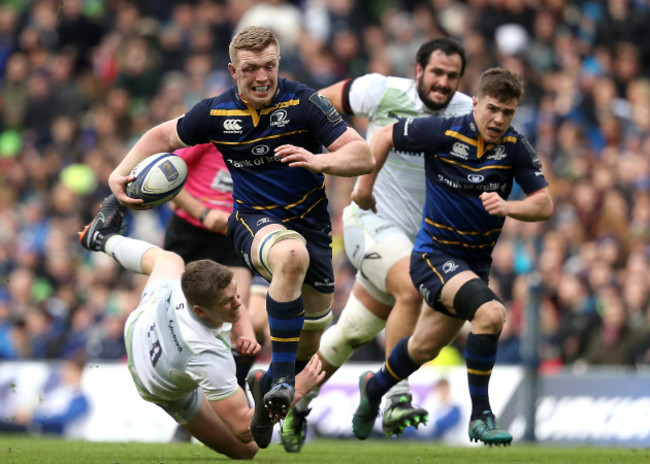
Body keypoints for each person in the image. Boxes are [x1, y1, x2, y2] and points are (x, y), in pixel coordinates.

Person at [103, 26, 374, 449]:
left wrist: (319, 160)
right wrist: (119, 172)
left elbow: (364, 154)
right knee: (289, 256)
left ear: (278, 64)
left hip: (313, 227)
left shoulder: (305, 103)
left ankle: (269, 383)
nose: (262, 76)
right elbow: (161, 136)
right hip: (253, 221)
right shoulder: (215, 113)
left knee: (315, 328)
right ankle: (283, 382)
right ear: (234, 70)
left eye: (269, 66)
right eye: (251, 69)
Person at [280, 37, 473, 452]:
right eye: (436, 73)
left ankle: (297, 402)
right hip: (367, 219)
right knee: (410, 288)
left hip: (415, 240)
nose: (443, 83)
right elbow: (316, 106)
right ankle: (395, 394)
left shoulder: (469, 113)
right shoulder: (380, 90)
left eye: (451, 76)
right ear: (418, 70)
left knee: (349, 334)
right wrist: (319, 158)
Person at [351, 67, 553, 446]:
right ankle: (481, 415)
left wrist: (509, 208)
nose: (499, 119)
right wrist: (364, 189)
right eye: (492, 108)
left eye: (508, 113)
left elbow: (543, 205)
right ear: (475, 102)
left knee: (423, 348)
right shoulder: (442, 131)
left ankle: (374, 387)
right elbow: (382, 136)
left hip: (473, 267)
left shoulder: (514, 148)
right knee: (491, 314)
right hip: (432, 256)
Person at [78, 195, 324, 459]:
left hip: (140, 323)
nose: (238, 303)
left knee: (168, 261)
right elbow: (243, 429)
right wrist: (299, 387)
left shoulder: (184, 287)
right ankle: (263, 406)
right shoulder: (207, 354)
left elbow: (234, 303)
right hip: (156, 383)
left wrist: (247, 332)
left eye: (235, 294)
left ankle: (103, 238)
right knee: (248, 450)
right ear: (200, 311)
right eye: (227, 302)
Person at [163, 142, 271, 443]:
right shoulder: (206, 135)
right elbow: (166, 178)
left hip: (231, 237)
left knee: (240, 314)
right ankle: (191, 411)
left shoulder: (266, 145)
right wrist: (203, 211)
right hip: (189, 235)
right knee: (182, 322)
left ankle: (228, 402)